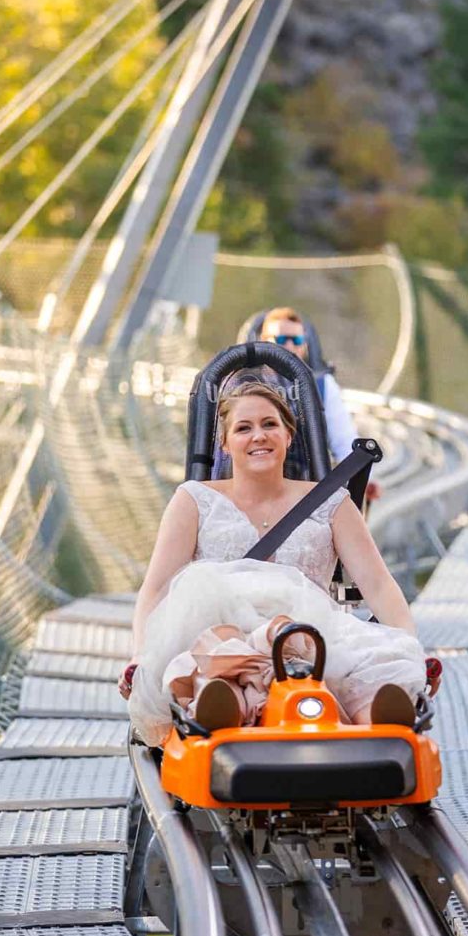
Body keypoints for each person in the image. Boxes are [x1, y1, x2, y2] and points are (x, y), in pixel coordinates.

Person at [118, 381, 433, 747]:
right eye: (243, 428)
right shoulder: (193, 501)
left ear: (288, 434)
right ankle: (219, 713)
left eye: (269, 424)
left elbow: (378, 585)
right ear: (225, 443)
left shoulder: (332, 503)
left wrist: (411, 645)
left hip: (311, 638)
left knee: (373, 667)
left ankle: (380, 726)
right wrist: (141, 653)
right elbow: (156, 587)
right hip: (221, 633)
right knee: (215, 663)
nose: (259, 436)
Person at [258, 306, 381, 502]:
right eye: (281, 339)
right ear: (264, 340)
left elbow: (344, 443)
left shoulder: (323, 386)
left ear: (304, 345)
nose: (289, 345)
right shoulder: (244, 384)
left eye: (296, 340)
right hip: (253, 489)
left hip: (305, 496)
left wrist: (365, 481)